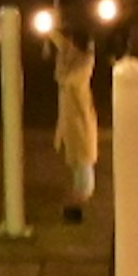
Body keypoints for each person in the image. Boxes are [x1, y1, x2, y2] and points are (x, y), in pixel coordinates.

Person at [51, 28, 100, 217]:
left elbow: (65, 78)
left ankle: (80, 201)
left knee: (83, 162)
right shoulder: (73, 58)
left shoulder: (84, 64)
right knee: (77, 162)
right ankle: (78, 199)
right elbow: (61, 43)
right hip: (71, 121)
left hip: (80, 121)